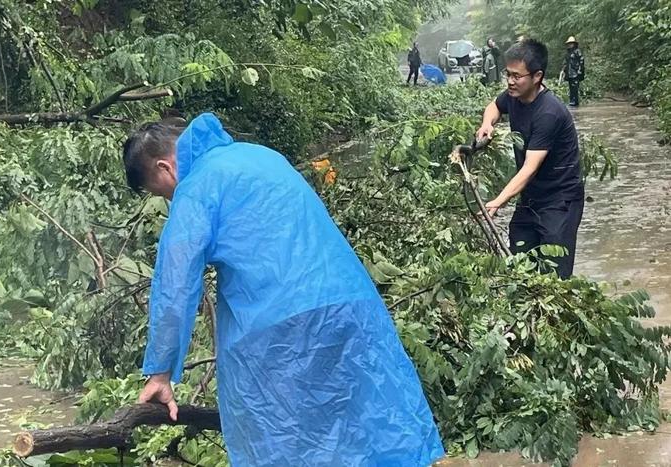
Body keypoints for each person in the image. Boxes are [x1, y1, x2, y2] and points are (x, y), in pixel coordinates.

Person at [122, 114, 445, 466]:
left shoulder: (197, 186)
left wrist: (160, 371)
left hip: (278, 328)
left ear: (165, 167)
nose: (171, 200)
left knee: (283, 439)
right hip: (351, 302)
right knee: (368, 427)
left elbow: (175, 285)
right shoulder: (261, 155)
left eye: (163, 193)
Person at [475, 39, 585, 279]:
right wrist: (487, 124)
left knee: (554, 277)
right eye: (508, 74)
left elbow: (529, 169)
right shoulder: (514, 96)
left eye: (517, 76)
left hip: (560, 201)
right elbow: (494, 105)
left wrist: (497, 202)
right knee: (520, 261)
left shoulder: (548, 113)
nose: (510, 82)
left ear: (537, 77)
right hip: (532, 198)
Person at [562, 36, 585, 107]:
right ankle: (572, 101)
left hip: (575, 73)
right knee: (571, 88)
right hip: (569, 74)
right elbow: (566, 63)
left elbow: (581, 60)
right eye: (569, 44)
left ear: (574, 44)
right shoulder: (568, 53)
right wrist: (564, 70)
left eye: (571, 43)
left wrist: (580, 70)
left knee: (575, 88)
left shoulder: (577, 51)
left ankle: (575, 101)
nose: (570, 45)